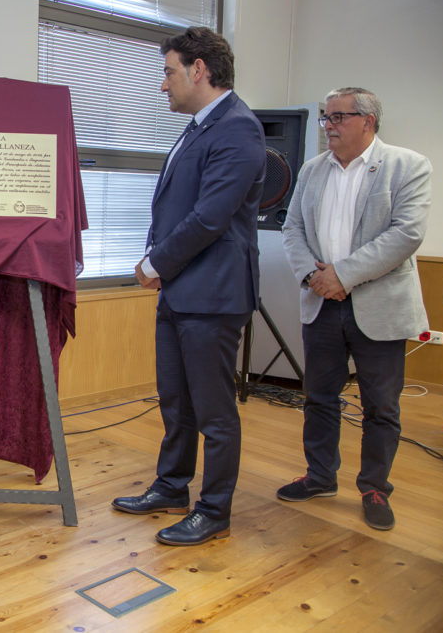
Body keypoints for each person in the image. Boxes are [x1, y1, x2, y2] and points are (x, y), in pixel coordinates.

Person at [110, 27, 266, 546]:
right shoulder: (199, 126)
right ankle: (172, 485)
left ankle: (215, 510)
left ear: (199, 69)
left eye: (169, 71)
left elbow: (210, 217)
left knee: (215, 413)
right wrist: (163, 268)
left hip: (214, 295)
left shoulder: (239, 128)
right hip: (182, 289)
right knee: (176, 401)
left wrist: (155, 263)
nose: (163, 84)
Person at [278, 87, 431, 531]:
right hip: (321, 303)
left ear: (368, 121)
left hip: (378, 305)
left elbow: (406, 234)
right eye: (326, 117)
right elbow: (292, 229)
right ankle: (321, 476)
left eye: (339, 117)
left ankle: (374, 487)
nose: (329, 125)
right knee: (318, 398)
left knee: (381, 406)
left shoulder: (408, 166)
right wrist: (314, 277)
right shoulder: (311, 170)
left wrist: (341, 276)